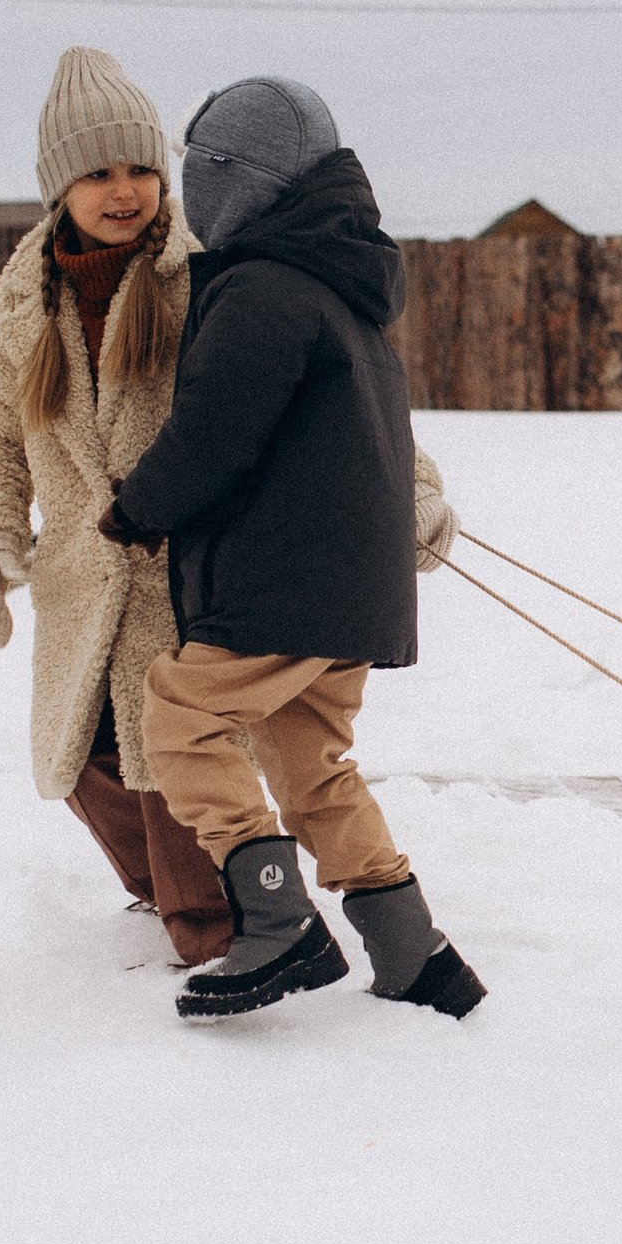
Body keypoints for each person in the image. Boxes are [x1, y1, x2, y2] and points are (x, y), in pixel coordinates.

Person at [100, 75, 483, 1022]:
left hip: (279, 586)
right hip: (347, 591)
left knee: (180, 719)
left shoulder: (262, 289)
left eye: (201, 172)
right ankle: (415, 952)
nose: (192, 192)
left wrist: (136, 508)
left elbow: (212, 433)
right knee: (310, 766)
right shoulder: (340, 285)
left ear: (244, 180)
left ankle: (276, 923)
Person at [0, 47, 235, 965]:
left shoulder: (207, 282)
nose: (125, 189)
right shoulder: (24, 304)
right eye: (98, 170)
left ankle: (224, 927)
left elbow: (312, 394)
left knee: (173, 753)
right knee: (86, 753)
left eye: (142, 167)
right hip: (79, 577)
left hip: (188, 576)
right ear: (57, 187)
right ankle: (163, 888)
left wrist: (407, 491)